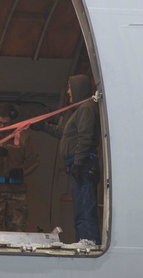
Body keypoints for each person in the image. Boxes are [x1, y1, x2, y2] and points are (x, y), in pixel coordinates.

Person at [33, 75, 100, 244]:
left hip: (83, 166)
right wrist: (45, 127)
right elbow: (67, 134)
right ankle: (84, 239)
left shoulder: (86, 108)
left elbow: (86, 137)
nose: (68, 92)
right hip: (78, 165)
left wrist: (78, 163)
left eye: (70, 88)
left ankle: (88, 240)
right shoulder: (80, 110)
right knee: (80, 209)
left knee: (84, 208)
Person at [0, 103, 39, 236]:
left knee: (17, 232)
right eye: (0, 123)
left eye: (6, 124)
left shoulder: (23, 137)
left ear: (13, 121)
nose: (2, 127)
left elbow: (34, 160)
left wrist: (21, 171)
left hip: (16, 192)